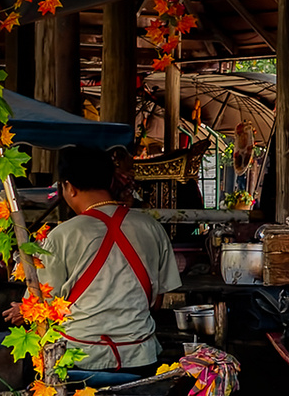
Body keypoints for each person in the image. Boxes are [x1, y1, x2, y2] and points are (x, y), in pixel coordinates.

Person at [22, 145, 181, 374]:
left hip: (80, 360)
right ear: (110, 181)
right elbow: (157, 302)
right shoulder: (152, 228)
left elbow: (43, 304)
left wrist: (21, 308)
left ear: (69, 188)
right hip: (141, 358)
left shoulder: (62, 235)